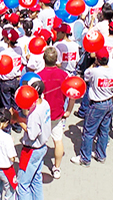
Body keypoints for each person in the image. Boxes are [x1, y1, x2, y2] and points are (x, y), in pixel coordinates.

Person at [71, 47, 113, 166]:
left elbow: (85, 75)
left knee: (89, 132)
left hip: (97, 104)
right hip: (109, 102)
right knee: (104, 131)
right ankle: (101, 155)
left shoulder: (95, 71)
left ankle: (85, 158)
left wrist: (93, 64)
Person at [13, 79, 50, 200]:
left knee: (23, 184)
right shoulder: (44, 104)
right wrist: (21, 119)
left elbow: (32, 134)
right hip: (42, 147)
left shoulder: (34, 113)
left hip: (31, 151)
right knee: (36, 179)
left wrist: (18, 120)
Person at [38, 47, 72, 178]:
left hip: (42, 115)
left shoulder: (39, 76)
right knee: (58, 141)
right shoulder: (64, 75)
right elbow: (72, 94)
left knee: (40, 142)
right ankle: (57, 168)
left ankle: (38, 166)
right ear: (57, 59)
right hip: (58, 114)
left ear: (43, 58)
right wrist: (69, 110)